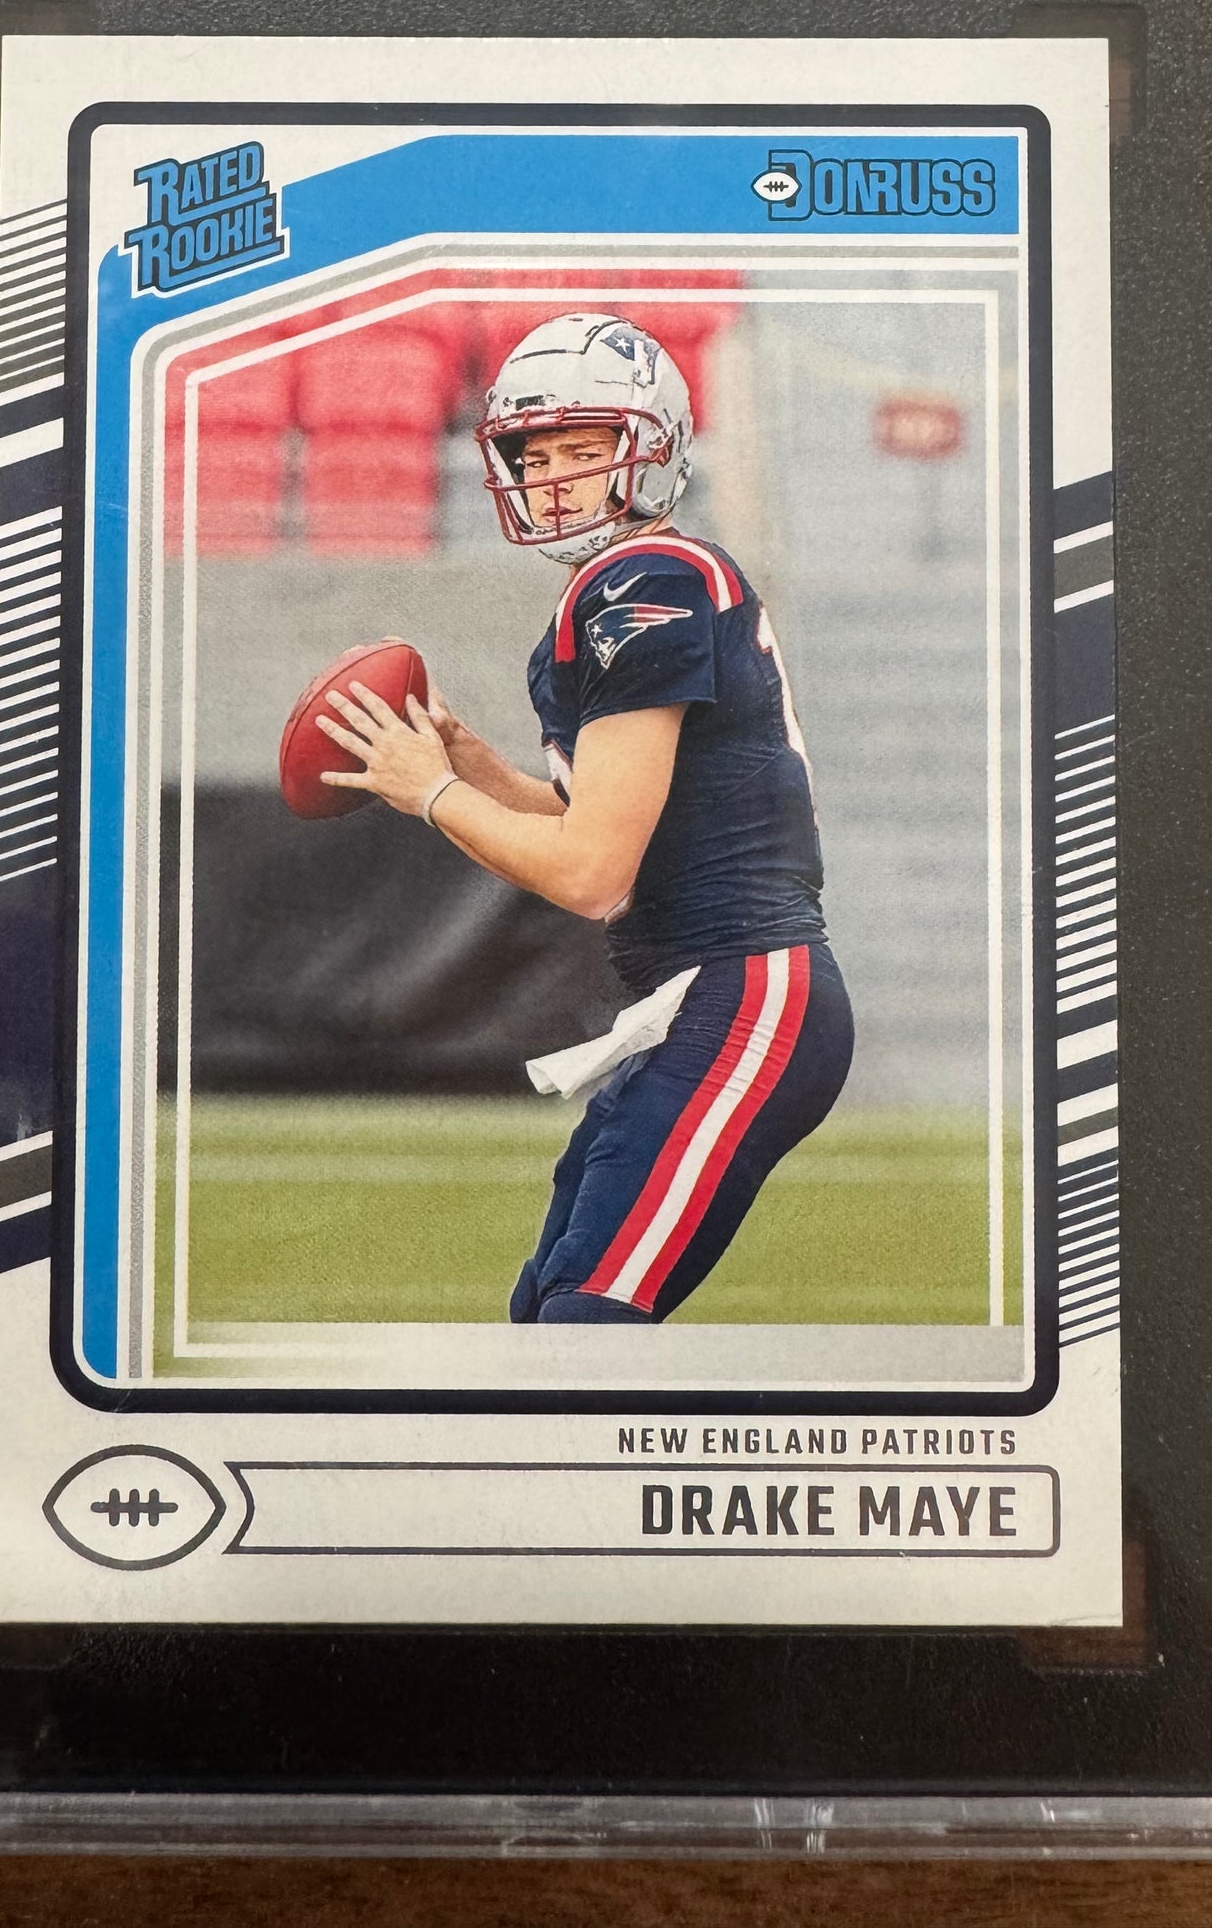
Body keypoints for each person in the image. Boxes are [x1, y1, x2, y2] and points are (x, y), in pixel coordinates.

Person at [315, 311, 852, 1323]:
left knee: (586, 1324)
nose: (552, 477)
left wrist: (431, 792)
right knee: (547, 1317)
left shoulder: (646, 581)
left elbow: (591, 876)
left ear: (650, 452)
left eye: (581, 449)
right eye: (534, 455)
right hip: (706, 995)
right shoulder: (627, 588)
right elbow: (591, 827)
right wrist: (469, 768)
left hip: (744, 993)